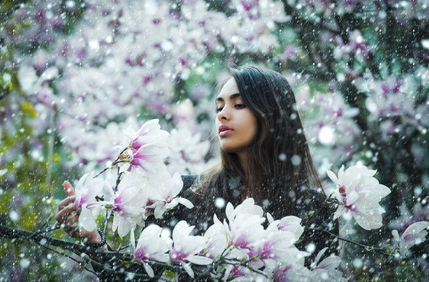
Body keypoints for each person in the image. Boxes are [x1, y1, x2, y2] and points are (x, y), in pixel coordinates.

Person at [56, 64, 338, 280]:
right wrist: (92, 239)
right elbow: (137, 276)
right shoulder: (186, 196)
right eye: (219, 106)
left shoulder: (316, 211)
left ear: (272, 115)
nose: (223, 114)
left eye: (238, 104)